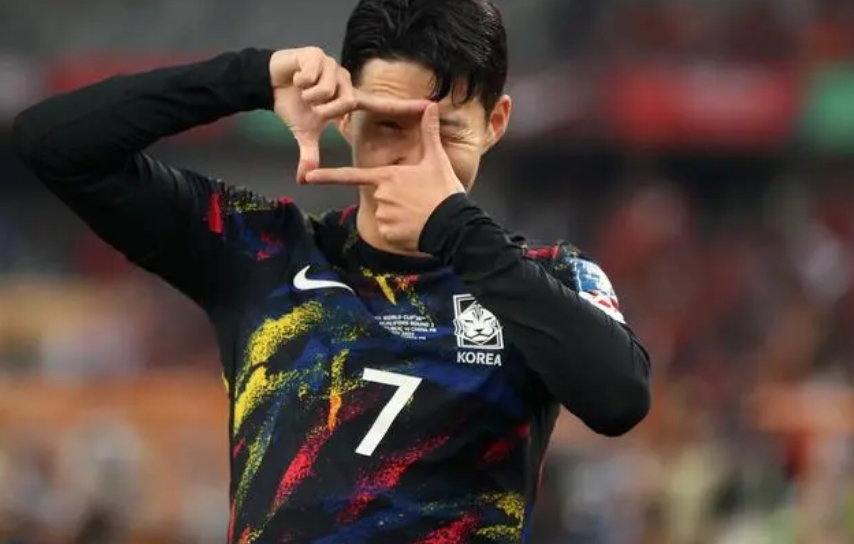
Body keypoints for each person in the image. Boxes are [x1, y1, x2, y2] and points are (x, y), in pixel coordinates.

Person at [12, 0, 651, 541]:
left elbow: (620, 399)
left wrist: (456, 228)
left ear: (496, 124)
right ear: (344, 114)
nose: (412, 160)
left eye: (447, 134)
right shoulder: (262, 251)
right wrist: (249, 77)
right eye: (388, 125)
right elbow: (53, 143)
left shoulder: (548, 278)